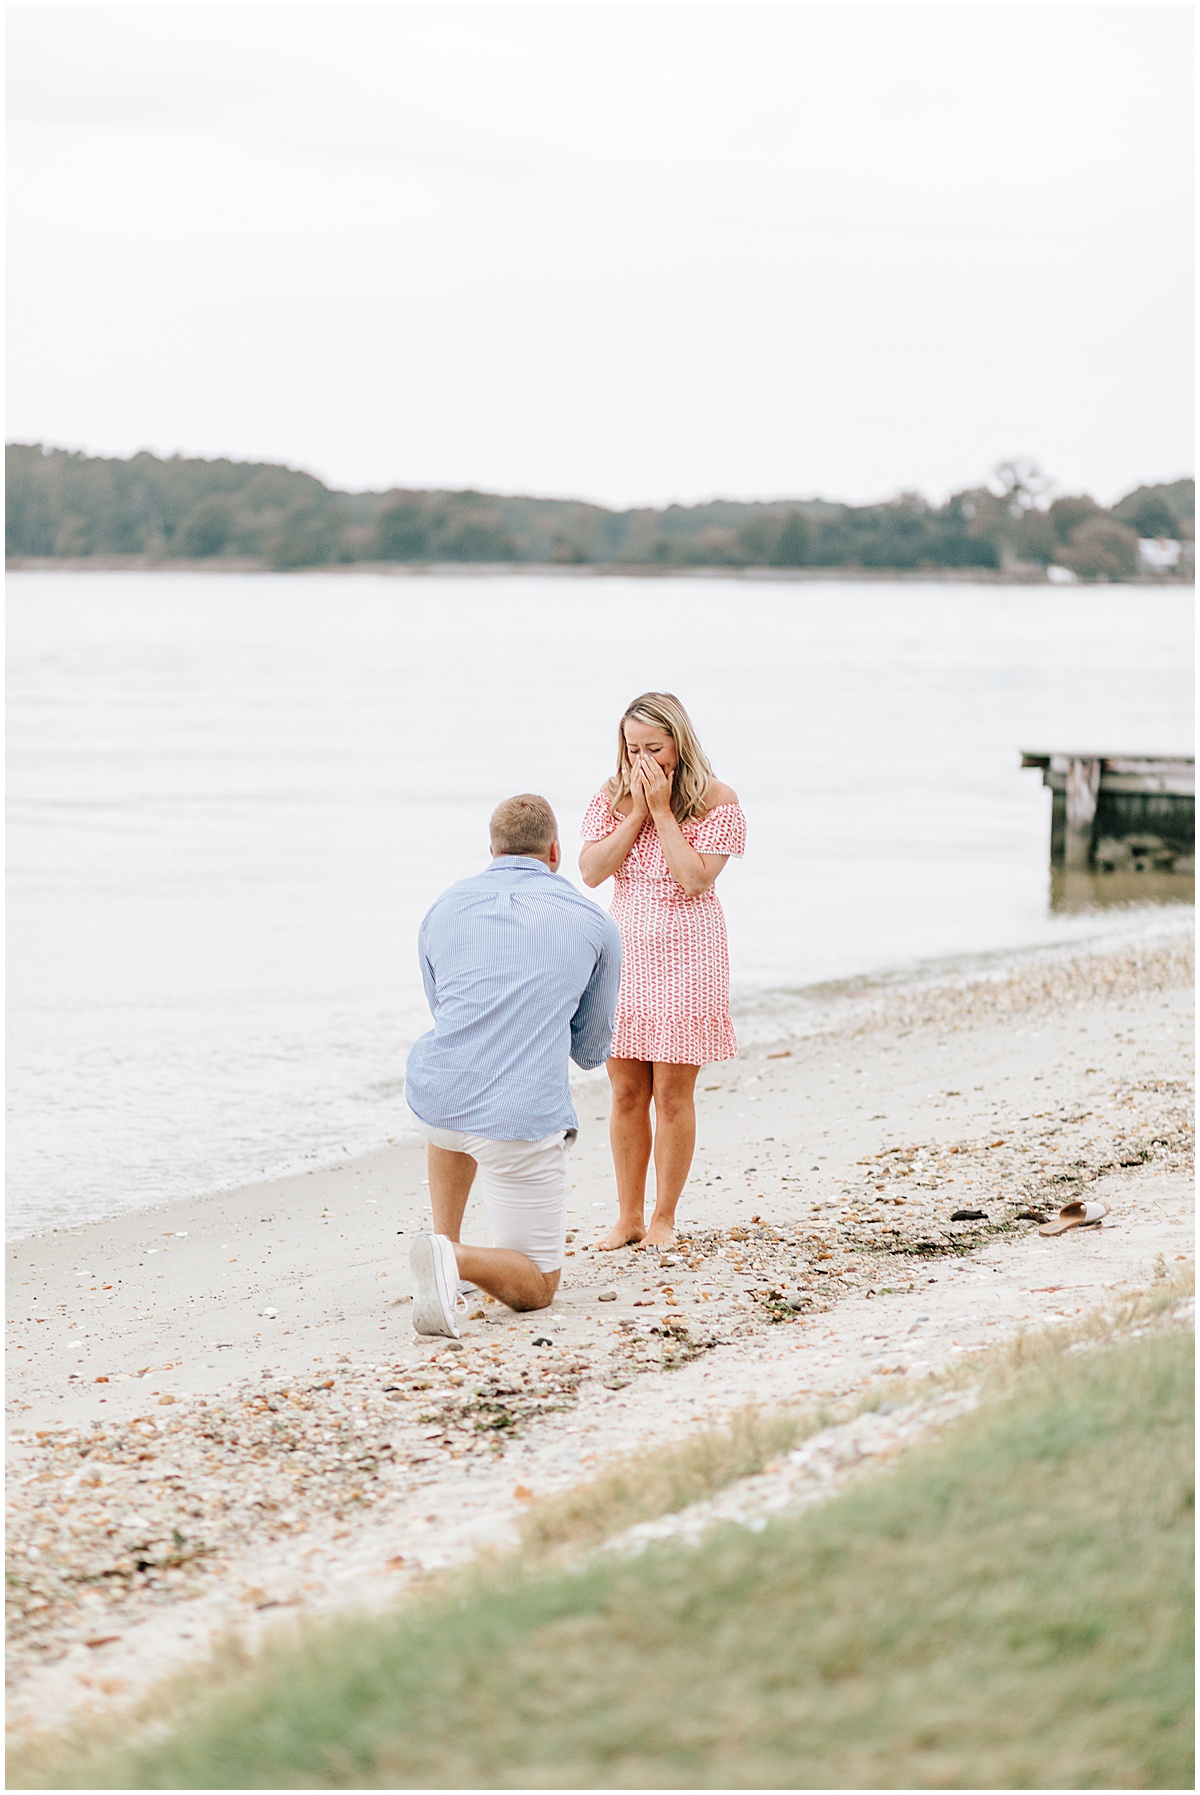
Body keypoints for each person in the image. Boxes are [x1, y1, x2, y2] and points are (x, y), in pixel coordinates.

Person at [404, 793, 622, 1337]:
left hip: (436, 1098)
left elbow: (446, 1009)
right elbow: (591, 1051)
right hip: (520, 1120)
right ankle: (450, 1258)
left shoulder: (445, 906)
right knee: (537, 1288)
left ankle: (442, 1253)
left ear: (492, 849)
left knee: (459, 1085)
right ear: (555, 851)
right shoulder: (591, 921)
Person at [579, 692, 746, 1250]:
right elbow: (592, 872)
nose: (644, 758)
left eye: (655, 747)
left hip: (690, 952)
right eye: (633, 748)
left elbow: (695, 878)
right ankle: (627, 1215)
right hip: (625, 952)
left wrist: (664, 813)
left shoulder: (718, 800)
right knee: (626, 1090)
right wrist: (634, 812)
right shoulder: (611, 796)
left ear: (680, 742)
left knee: (673, 1092)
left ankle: (663, 1217)